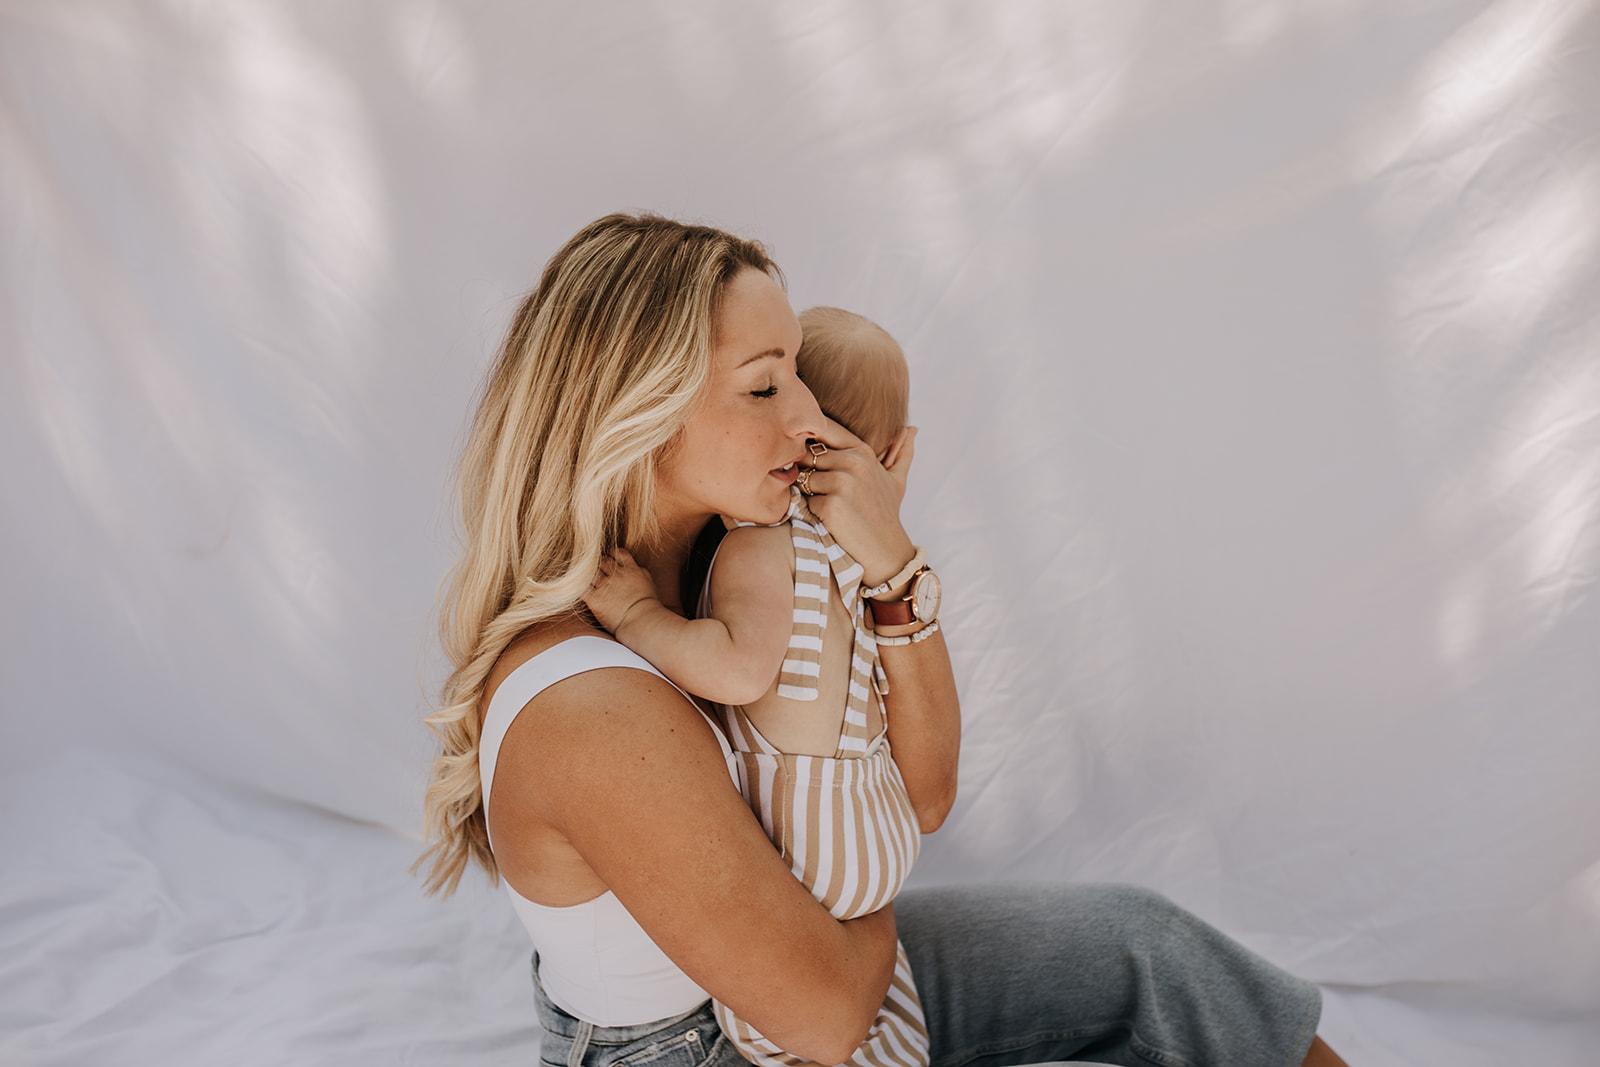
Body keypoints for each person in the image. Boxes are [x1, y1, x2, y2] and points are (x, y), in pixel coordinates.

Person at [418, 212, 1349, 1067]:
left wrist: (891, 564)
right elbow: (827, 1017)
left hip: (810, 972)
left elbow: (929, 790)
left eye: (803, 378)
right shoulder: (593, 705)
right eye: (766, 384)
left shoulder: (727, 575)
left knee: (1146, 947)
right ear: (638, 409)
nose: (810, 420)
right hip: (718, 1044)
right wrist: (856, 850)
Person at [581, 308, 933, 1067]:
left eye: (789, 384)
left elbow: (739, 668)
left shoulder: (763, 546)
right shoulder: (859, 563)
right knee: (877, 1025)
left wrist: (638, 613)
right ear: (894, 451)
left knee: (785, 1037)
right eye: (764, 386)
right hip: (875, 817)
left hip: (809, 835)